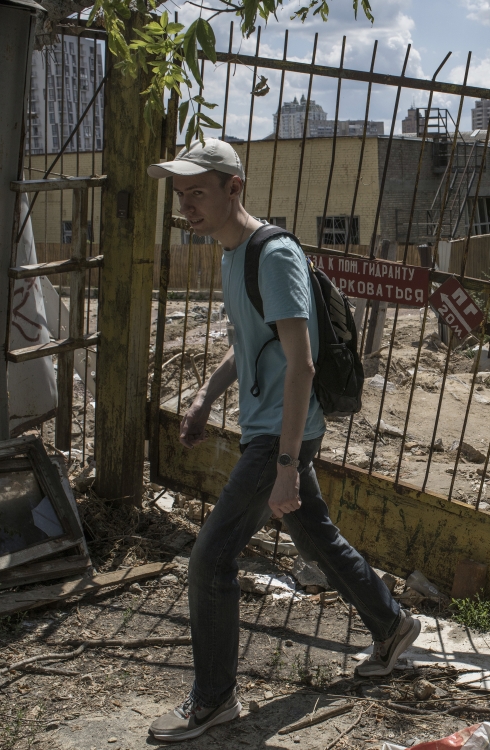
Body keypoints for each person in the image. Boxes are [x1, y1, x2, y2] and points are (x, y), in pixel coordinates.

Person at [145, 140, 420, 742]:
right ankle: (391, 624)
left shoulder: (272, 257)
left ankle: (213, 700)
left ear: (233, 187)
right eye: (181, 194)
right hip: (271, 429)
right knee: (314, 533)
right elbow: (250, 341)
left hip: (278, 436)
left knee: (211, 560)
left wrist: (289, 462)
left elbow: (302, 366)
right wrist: (205, 398)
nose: (186, 204)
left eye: (198, 192)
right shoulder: (231, 251)